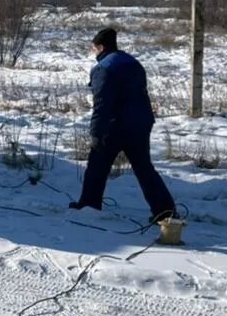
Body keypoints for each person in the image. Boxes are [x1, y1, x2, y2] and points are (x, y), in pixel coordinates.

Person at [69, 27, 177, 223]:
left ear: (101, 47)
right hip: (141, 123)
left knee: (97, 166)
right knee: (144, 168)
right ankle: (165, 212)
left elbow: (102, 104)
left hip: (115, 126)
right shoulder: (133, 62)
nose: (93, 52)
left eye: (94, 48)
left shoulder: (103, 68)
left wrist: (96, 133)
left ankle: (89, 205)